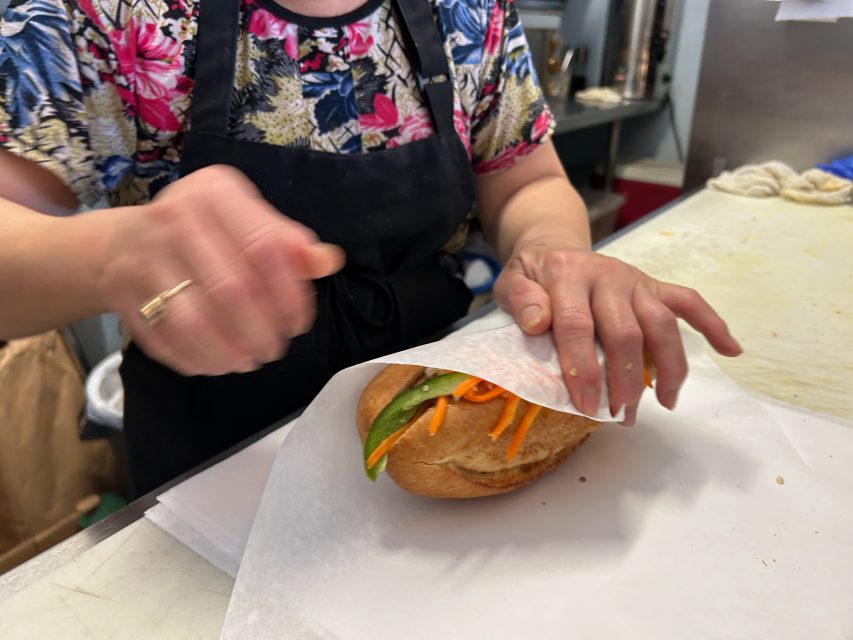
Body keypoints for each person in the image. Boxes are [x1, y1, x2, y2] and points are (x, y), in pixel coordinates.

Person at [0, 0, 741, 495]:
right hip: (214, 461)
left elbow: (519, 174)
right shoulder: (108, 14)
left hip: (435, 421)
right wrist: (111, 255)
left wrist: (553, 247)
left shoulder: (468, 9)